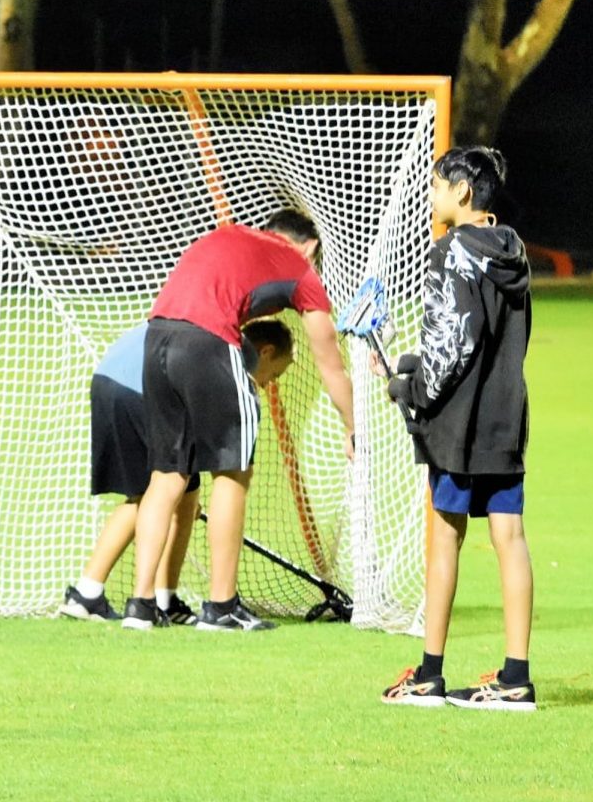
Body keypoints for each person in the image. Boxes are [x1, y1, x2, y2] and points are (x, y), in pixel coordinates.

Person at [125, 208, 356, 632]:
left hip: (156, 336)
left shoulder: (229, 236)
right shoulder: (300, 269)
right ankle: (222, 605)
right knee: (233, 472)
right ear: (310, 247)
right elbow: (331, 365)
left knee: (167, 476)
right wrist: (352, 426)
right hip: (208, 342)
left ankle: (141, 605)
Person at [379, 147, 534, 711]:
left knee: (444, 539)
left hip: (457, 423)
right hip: (504, 417)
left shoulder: (450, 252)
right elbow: (482, 341)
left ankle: (429, 675)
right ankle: (515, 677)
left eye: (440, 186)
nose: (433, 194)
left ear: (464, 193)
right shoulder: (513, 249)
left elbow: (454, 345)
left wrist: (411, 390)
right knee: (510, 541)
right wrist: (409, 366)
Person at [63, 320, 295, 625]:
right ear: (265, 352)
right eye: (274, 374)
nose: (269, 383)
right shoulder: (225, 357)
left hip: (110, 379)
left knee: (176, 489)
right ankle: (90, 593)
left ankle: (161, 598)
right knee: (152, 493)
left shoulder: (211, 334)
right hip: (138, 388)